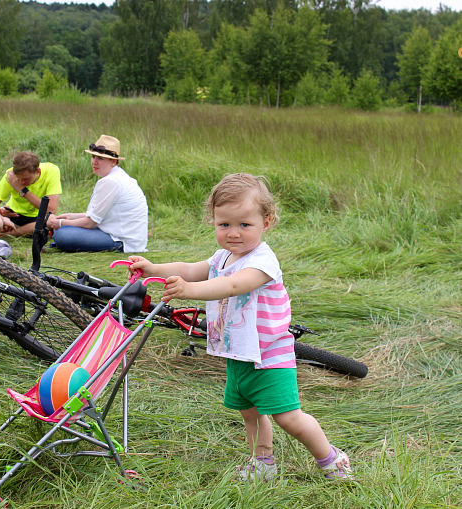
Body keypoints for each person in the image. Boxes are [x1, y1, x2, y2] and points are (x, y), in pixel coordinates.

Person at [127, 173, 354, 481]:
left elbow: (233, 285)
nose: (234, 233)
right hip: (239, 353)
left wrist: (188, 291)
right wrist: (153, 268)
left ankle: (330, 458)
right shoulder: (224, 256)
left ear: (267, 222)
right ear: (214, 221)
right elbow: (191, 269)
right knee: (250, 412)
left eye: (244, 225)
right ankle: (263, 462)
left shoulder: (262, 261)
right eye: (225, 225)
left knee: (289, 418)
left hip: (268, 356)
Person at [47, 135, 148, 252]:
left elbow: (89, 223)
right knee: (64, 230)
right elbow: (99, 214)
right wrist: (71, 216)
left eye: (100, 158)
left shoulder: (111, 181)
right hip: (124, 235)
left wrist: (60, 223)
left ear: (113, 161)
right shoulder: (115, 176)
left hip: (122, 240)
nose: (94, 162)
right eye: (93, 157)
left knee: (63, 235)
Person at [0, 151, 62, 237]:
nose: (21, 182)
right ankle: (23, 230)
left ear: (37, 171)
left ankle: (10, 234)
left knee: (52, 219)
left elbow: (51, 210)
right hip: (14, 216)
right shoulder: (10, 176)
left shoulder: (51, 171)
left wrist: (22, 190)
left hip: (37, 217)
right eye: (18, 179)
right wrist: (1, 211)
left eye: (26, 179)